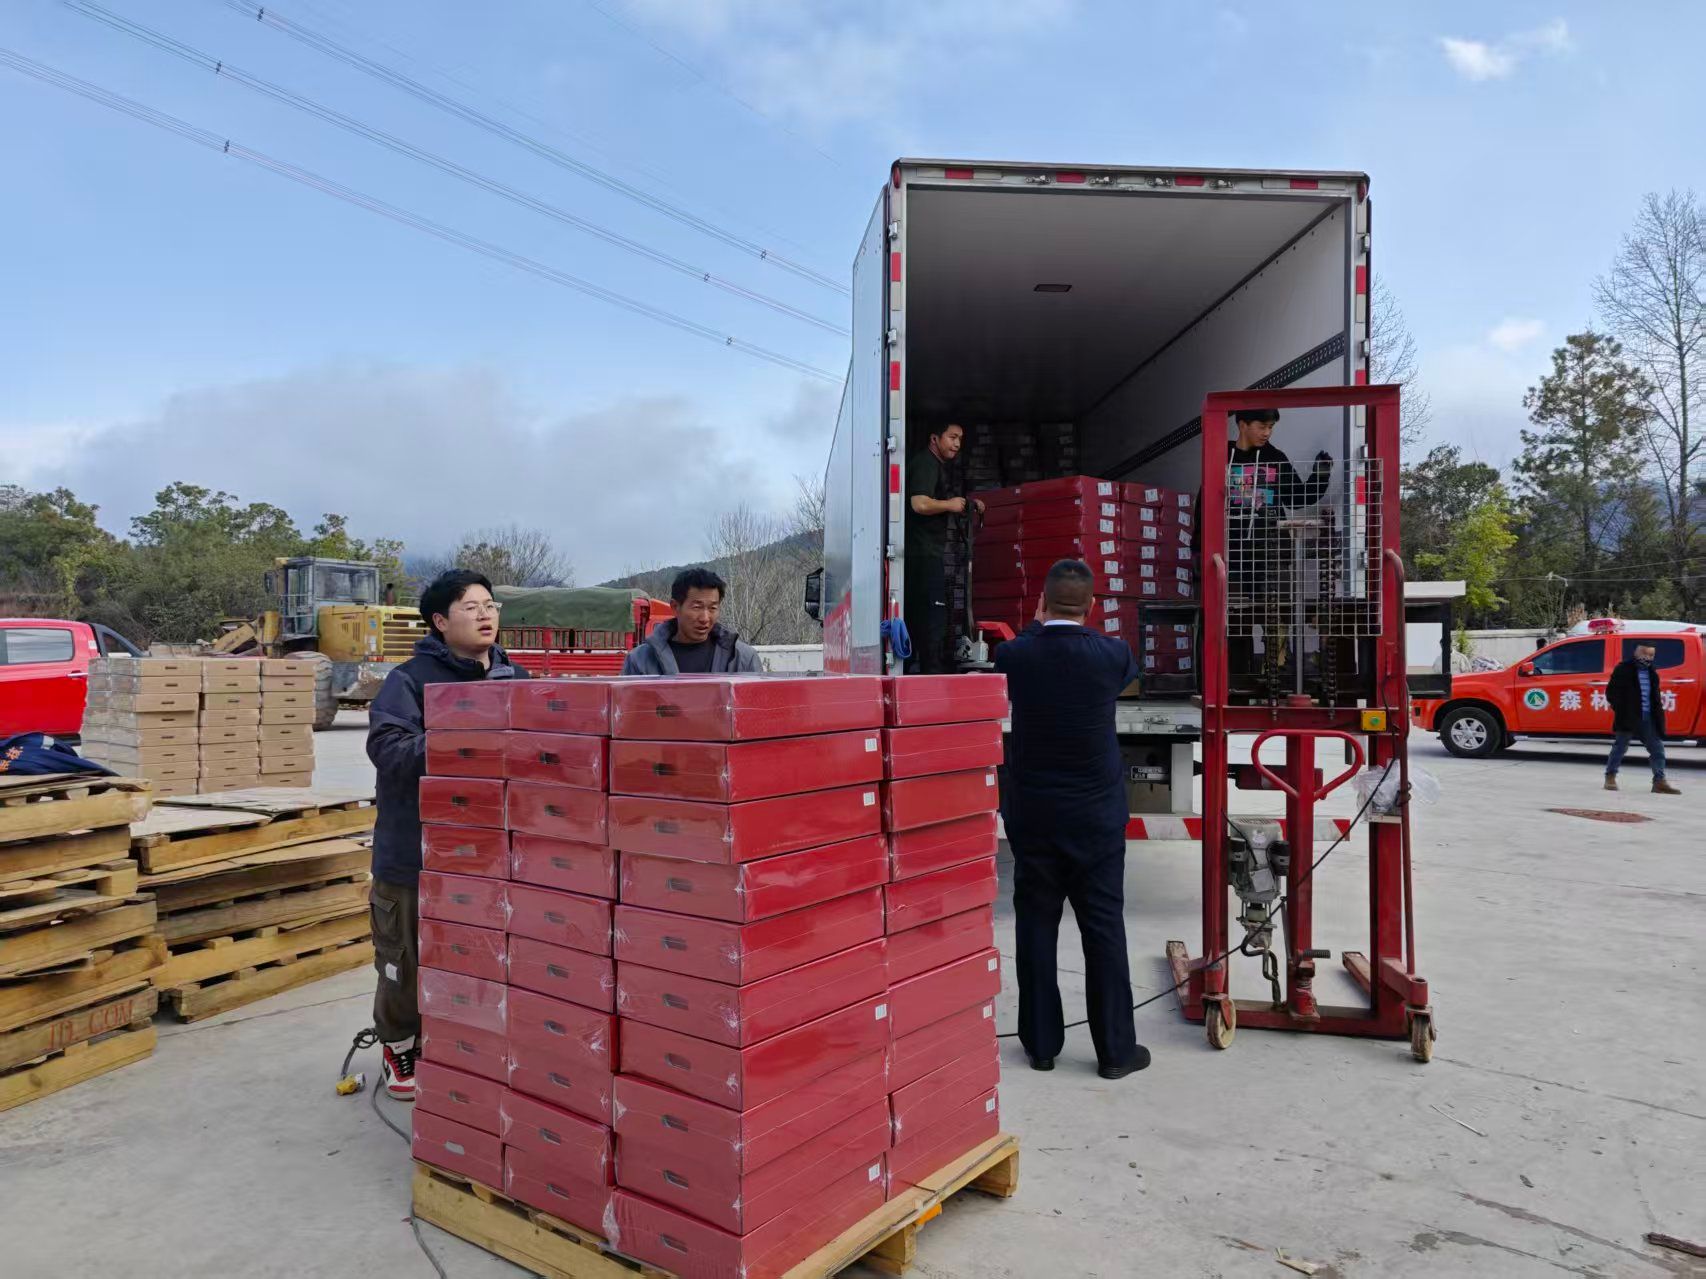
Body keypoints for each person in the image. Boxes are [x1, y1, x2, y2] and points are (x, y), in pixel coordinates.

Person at [365, 569, 529, 1098]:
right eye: (471, 607)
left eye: (491, 605)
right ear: (440, 621)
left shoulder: (515, 677)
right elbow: (388, 750)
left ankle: (463, 1042)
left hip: (487, 853)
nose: (486, 615)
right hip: (414, 853)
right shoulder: (410, 681)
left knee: (477, 955)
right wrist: (464, 733)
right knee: (406, 959)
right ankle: (398, 1043)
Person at [994, 559, 1149, 1080]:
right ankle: (1115, 1052)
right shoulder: (1113, 654)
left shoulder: (1015, 654)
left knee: (1036, 925)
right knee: (1103, 929)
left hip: (1035, 815)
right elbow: (1125, 676)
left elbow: (1021, 652)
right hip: (1096, 817)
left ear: (1041, 602)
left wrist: (1036, 627)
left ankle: (1041, 1046)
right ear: (1092, 607)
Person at [1223, 408, 1333, 679]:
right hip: (1233, 555)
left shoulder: (1275, 458)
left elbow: (1297, 497)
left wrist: (1320, 475)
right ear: (1242, 424)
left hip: (1272, 553)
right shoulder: (1222, 456)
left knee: (1277, 615)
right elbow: (1206, 502)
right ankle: (1237, 679)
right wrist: (1198, 547)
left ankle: (1276, 674)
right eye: (1262, 426)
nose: (1267, 433)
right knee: (1235, 619)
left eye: (1271, 427)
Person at [905, 423, 983, 674]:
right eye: (952, 437)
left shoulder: (936, 466)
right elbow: (919, 503)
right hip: (922, 553)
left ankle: (927, 668)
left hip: (928, 553)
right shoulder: (926, 463)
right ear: (934, 438)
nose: (957, 444)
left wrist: (968, 504)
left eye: (960, 439)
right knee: (934, 617)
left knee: (931, 615)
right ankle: (930, 674)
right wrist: (950, 505)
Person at [622, 567, 760, 675]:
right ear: (675, 607)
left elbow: (759, 702)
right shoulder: (640, 660)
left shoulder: (742, 658)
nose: (705, 618)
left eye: (712, 608)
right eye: (697, 607)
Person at [1605, 643, 1680, 794]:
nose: (1648, 658)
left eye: (1651, 655)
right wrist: (1621, 709)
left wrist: (1658, 715)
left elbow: (1655, 697)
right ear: (1636, 654)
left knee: (1657, 749)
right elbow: (1611, 693)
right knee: (1620, 747)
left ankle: (1659, 781)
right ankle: (1610, 777)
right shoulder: (1623, 669)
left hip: (1648, 718)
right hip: (1628, 716)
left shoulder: (1652, 673)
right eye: (1645, 654)